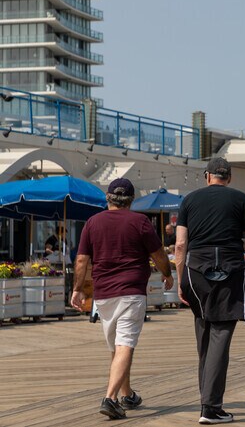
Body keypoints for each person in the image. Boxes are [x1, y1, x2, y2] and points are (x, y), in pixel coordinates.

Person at [70, 178, 173, 420]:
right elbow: (158, 253)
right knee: (125, 344)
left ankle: (127, 394)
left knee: (117, 345)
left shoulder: (93, 223)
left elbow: (82, 260)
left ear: (108, 198)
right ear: (131, 200)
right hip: (131, 290)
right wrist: (167, 275)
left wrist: (77, 289)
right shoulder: (141, 222)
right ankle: (110, 398)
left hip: (103, 295)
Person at [175, 157, 245, 424]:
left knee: (204, 334)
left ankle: (207, 401)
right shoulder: (241, 199)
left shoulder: (189, 200)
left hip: (196, 271)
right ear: (229, 177)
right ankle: (210, 407)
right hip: (230, 269)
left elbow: (180, 245)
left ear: (207, 176)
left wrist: (181, 281)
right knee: (221, 336)